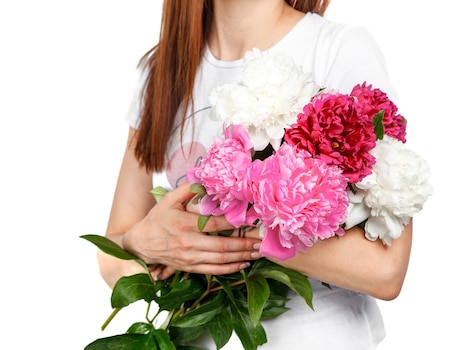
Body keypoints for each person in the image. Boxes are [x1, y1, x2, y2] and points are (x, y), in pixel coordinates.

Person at [97, 0, 413, 349]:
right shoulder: (161, 70)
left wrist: (231, 224)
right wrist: (139, 242)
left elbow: (386, 270)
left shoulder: (336, 49)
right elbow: (113, 251)